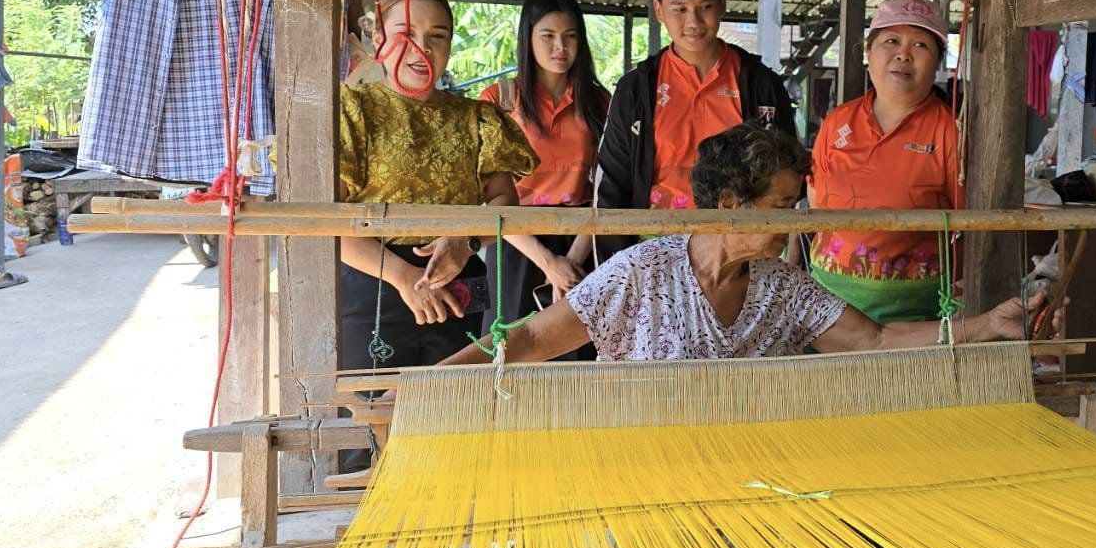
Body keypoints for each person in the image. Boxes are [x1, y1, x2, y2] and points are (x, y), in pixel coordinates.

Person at [444, 123, 1043, 365]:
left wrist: (987, 325)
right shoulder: (642, 272)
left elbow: (878, 339)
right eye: (783, 206)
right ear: (728, 203)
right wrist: (426, 387)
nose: (797, 221)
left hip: (749, 478)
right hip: (646, 475)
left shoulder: (782, 288)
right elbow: (526, 338)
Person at [336, 0, 538, 396]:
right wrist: (403, 276)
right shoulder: (352, 112)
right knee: (372, 424)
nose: (422, 48)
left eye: (437, 36)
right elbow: (331, 223)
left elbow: (505, 200)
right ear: (378, 39)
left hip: (459, 283)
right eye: (405, 34)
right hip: (376, 281)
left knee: (455, 420)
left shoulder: (478, 119)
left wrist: (465, 241)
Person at [594, 0, 795, 260]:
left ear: (723, 3)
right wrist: (612, 269)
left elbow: (785, 175)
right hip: (653, 249)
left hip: (740, 248)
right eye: (680, 9)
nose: (694, 22)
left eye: (705, 7)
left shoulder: (762, 85)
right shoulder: (636, 89)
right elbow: (612, 183)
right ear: (658, 9)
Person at [808, 0, 962, 323]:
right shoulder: (837, 122)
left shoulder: (951, 132)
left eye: (920, 45)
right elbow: (817, 200)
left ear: (937, 63)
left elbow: (971, 225)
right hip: (829, 304)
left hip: (915, 312)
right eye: (891, 41)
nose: (903, 54)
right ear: (868, 52)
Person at [478, 0, 608, 355]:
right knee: (509, 349)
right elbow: (488, 195)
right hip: (518, 243)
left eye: (570, 37)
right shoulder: (500, 101)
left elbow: (607, 187)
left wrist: (573, 260)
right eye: (547, 36)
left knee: (581, 351)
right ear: (528, 37)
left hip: (584, 239)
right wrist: (548, 262)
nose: (560, 48)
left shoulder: (599, 103)